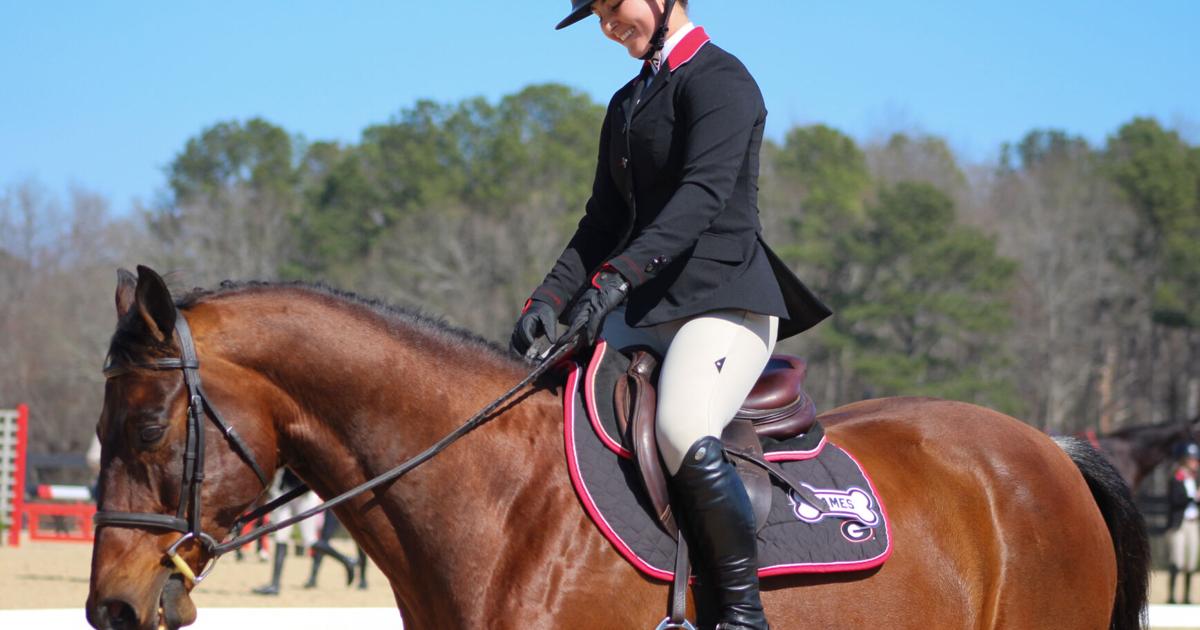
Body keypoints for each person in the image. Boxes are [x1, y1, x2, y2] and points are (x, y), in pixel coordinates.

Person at [510, 2, 831, 627]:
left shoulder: (721, 80)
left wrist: (615, 278)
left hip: (723, 301)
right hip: (642, 307)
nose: (606, 24)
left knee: (683, 427)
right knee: (546, 409)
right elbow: (602, 221)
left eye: (613, 4)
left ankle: (743, 615)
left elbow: (702, 197)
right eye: (597, 13)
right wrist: (547, 298)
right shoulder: (627, 102)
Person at [253, 469, 320, 596]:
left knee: (309, 541)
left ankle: (346, 560)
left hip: (305, 495)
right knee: (280, 537)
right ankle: (275, 584)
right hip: (286, 491)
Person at [1166, 443, 1200, 604]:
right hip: (1179, 523)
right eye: (1192, 459)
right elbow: (1176, 500)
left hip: (1193, 523)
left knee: (1191, 561)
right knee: (1177, 560)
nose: (1195, 462)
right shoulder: (1177, 478)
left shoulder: (1195, 479)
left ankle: (1187, 597)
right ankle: (1171, 596)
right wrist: (1193, 497)